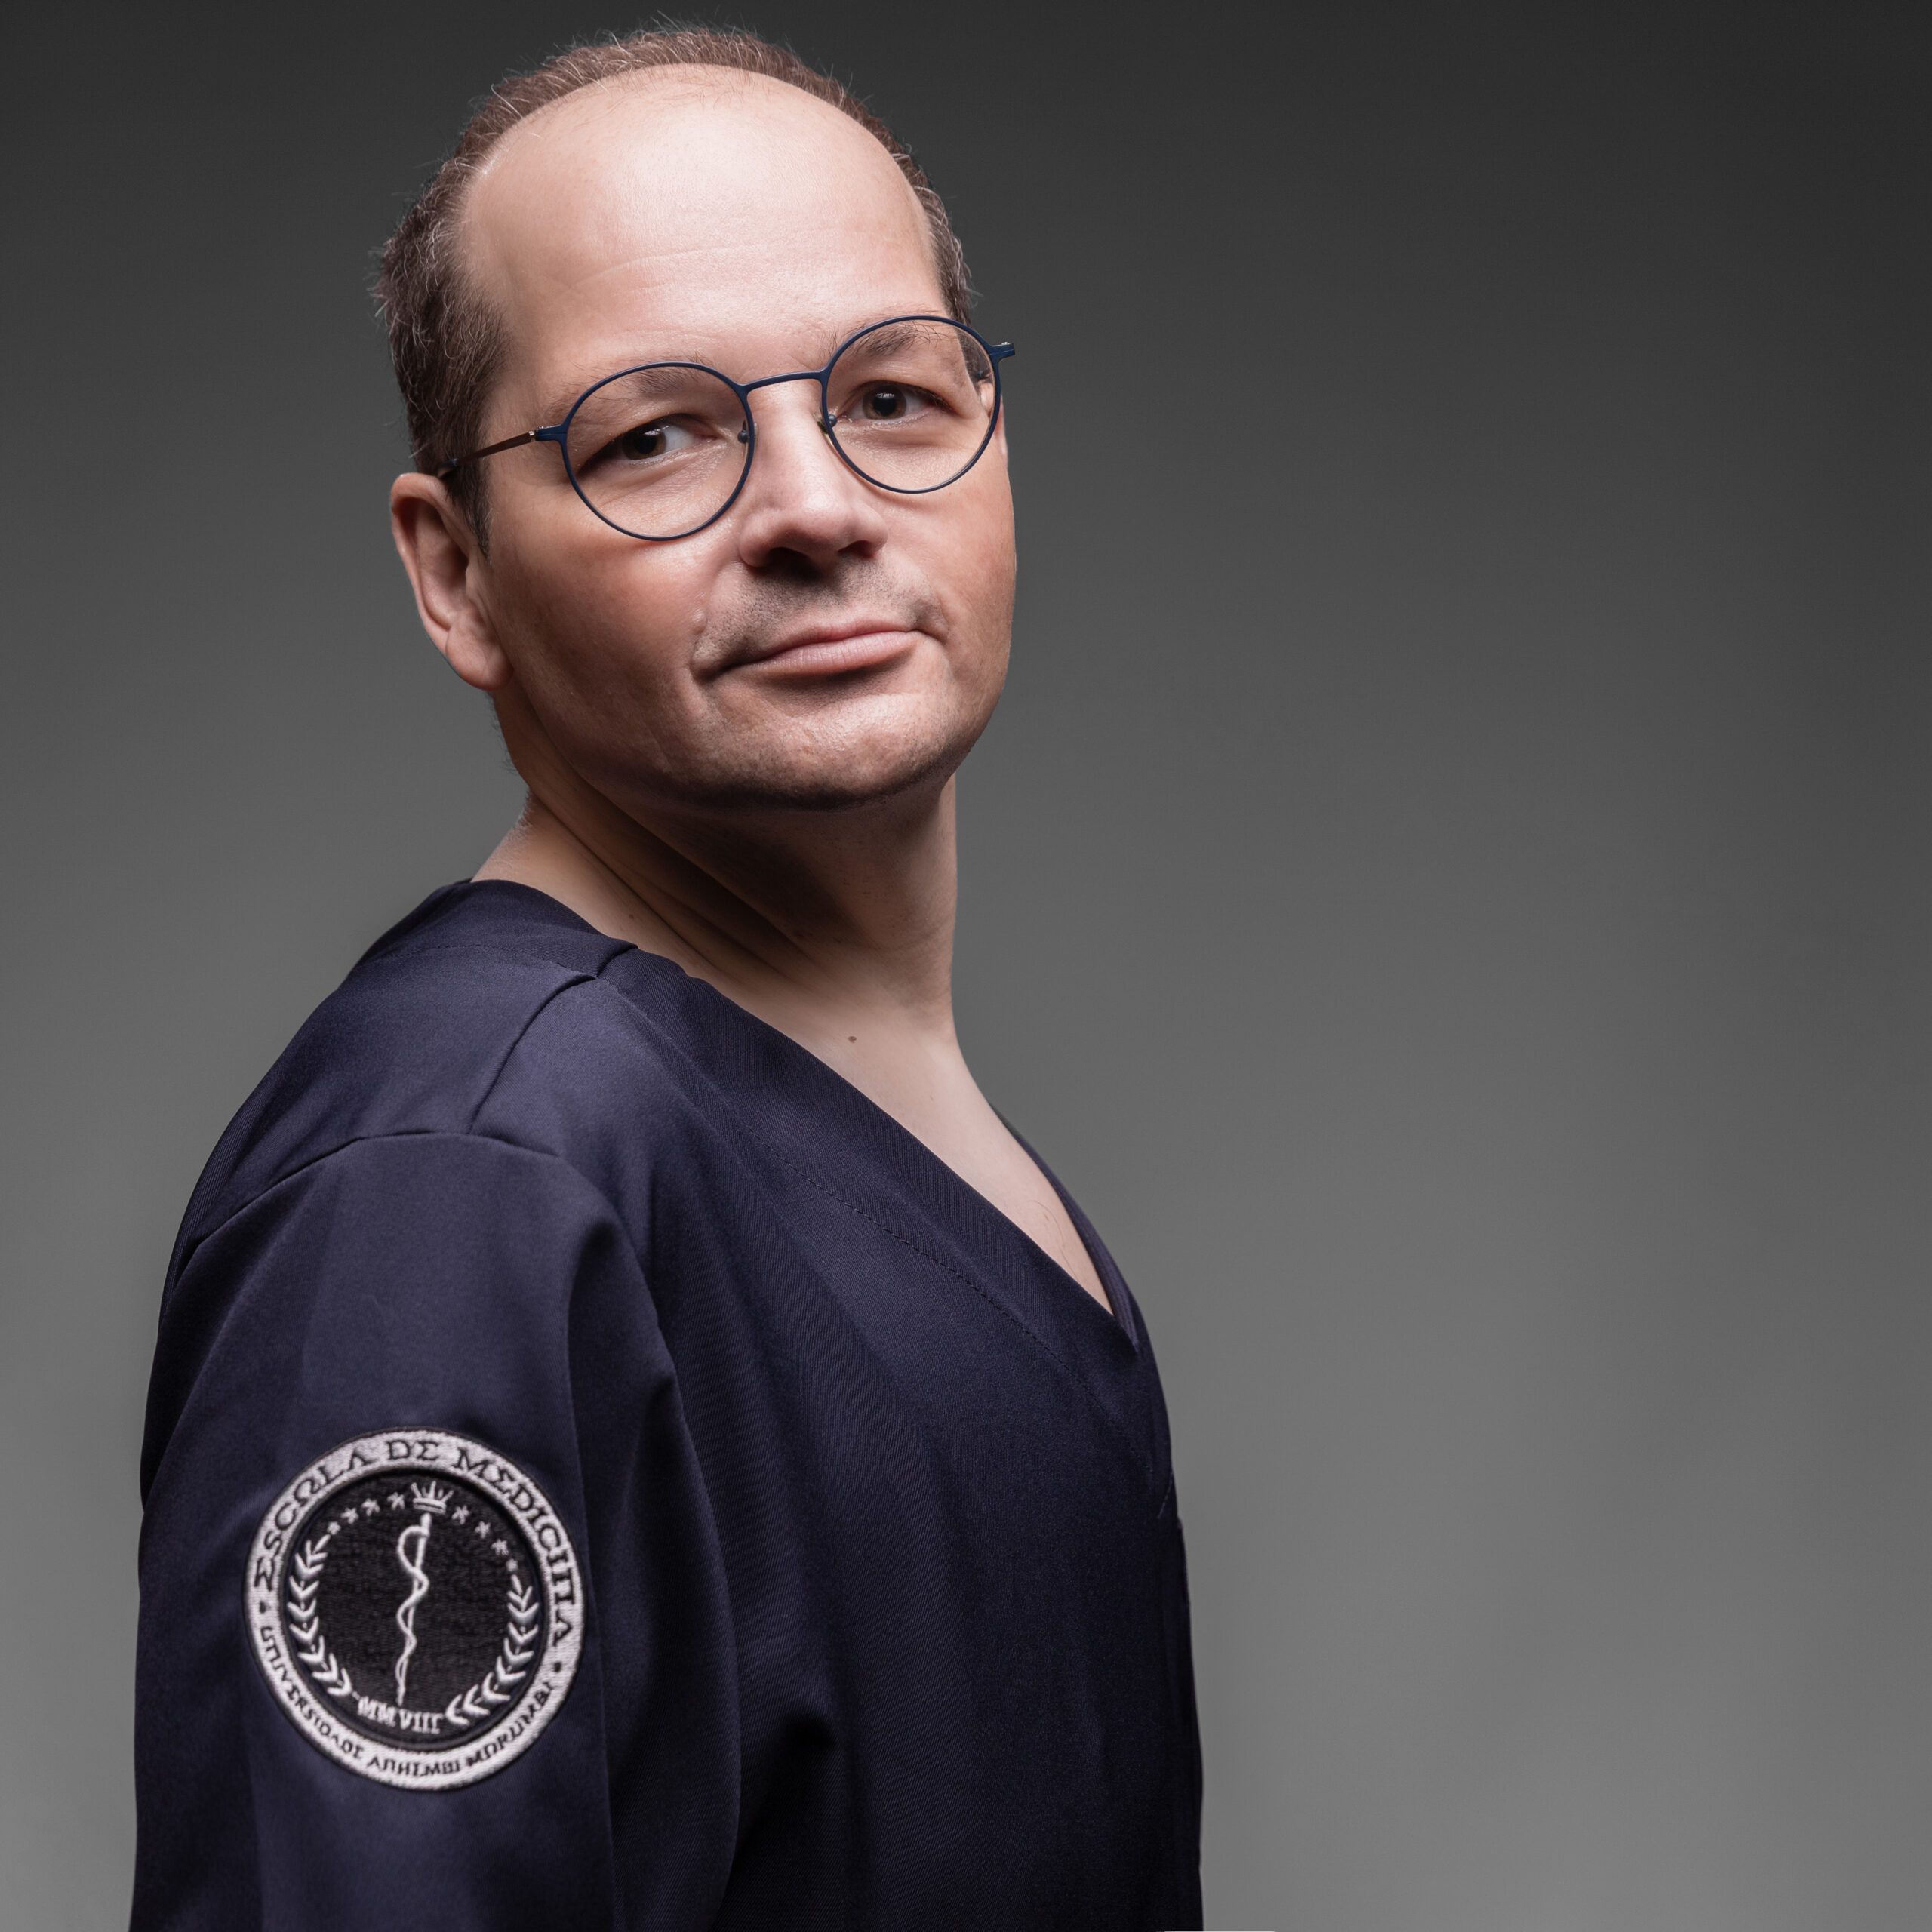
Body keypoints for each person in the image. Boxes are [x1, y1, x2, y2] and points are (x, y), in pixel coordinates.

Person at [134, 28, 1202, 1930]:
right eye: (655, 435)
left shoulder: (886, 1134)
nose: (815, 505)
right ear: (456, 573)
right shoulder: (459, 1189)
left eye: (890, 394)